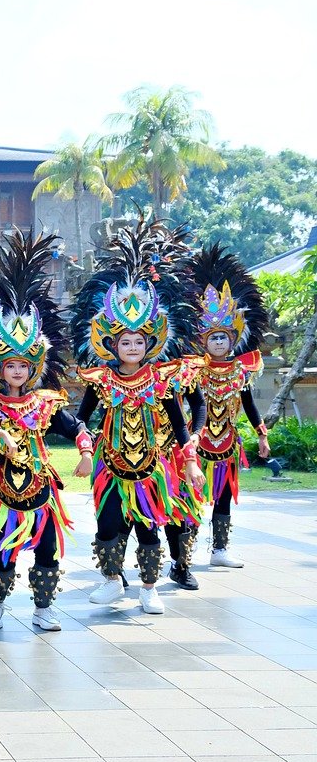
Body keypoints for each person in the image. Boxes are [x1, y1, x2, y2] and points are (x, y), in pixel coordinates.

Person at [71, 218, 206, 614]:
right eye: (124, 341)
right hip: (110, 467)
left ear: (151, 343)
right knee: (107, 527)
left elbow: (180, 424)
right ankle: (112, 581)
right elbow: (81, 418)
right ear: (112, 344)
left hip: (151, 468)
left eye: (138, 341)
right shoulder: (102, 380)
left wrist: (192, 463)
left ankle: (149, 587)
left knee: (150, 528)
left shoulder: (160, 380)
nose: (131, 346)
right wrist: (83, 449)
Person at [0, 231, 92, 633]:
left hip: (41, 488)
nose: (18, 371)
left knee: (47, 548)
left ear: (33, 368)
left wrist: (86, 449)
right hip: (1, 489)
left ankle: (43, 609)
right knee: (2, 551)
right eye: (11, 365)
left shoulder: (45, 402)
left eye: (24, 365)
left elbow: (72, 424)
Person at [186, 243, 270, 569]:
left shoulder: (240, 370)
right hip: (197, 445)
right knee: (191, 497)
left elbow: (248, 404)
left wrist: (261, 435)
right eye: (213, 338)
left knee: (223, 497)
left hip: (227, 445)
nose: (219, 342)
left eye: (224, 337)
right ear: (203, 341)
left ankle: (220, 549)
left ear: (232, 340)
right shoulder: (193, 370)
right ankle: (185, 549)